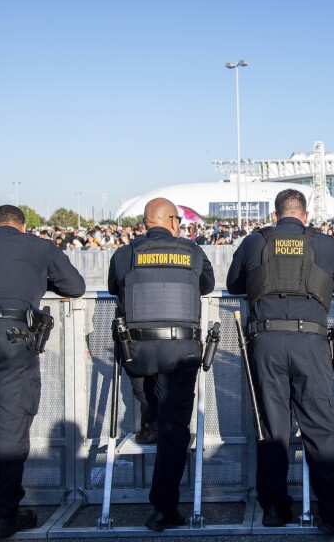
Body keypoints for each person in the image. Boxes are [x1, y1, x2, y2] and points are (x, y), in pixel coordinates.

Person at [0, 205, 85, 541]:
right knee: (10, 431)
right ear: (22, 226)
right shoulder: (38, 246)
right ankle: (3, 518)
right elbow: (75, 287)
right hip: (13, 337)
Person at [226, 189, 334, 534]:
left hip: (265, 340)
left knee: (272, 429)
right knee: (320, 427)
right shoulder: (323, 243)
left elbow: (233, 282)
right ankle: (330, 511)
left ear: (275, 215)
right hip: (310, 342)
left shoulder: (256, 242)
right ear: (306, 215)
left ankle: (274, 508)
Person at [108, 197, 215, 531]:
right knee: (175, 428)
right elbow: (207, 285)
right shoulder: (193, 252)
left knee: (147, 397)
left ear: (144, 224)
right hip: (180, 351)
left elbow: (116, 288)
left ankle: (148, 423)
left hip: (137, 351)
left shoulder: (125, 253)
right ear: (172, 222)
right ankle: (163, 508)